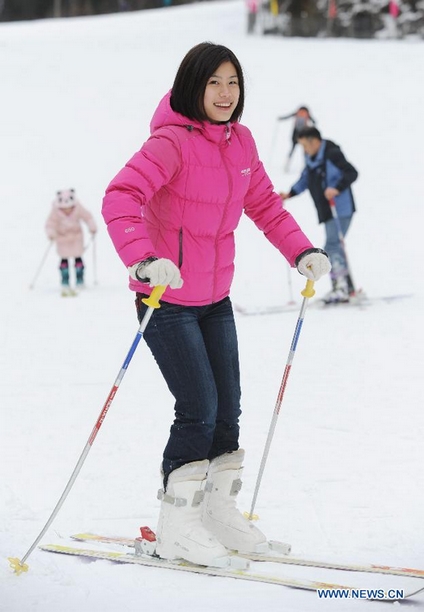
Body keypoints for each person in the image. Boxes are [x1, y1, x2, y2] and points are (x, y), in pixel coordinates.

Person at [102, 42, 330, 569]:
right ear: (192, 86)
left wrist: (301, 250)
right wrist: (144, 260)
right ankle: (178, 527)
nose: (226, 94)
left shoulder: (241, 142)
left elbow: (266, 206)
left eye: (233, 82)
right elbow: (120, 198)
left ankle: (215, 514)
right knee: (199, 408)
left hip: (215, 298)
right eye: (214, 83)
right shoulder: (169, 143)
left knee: (227, 409)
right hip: (165, 298)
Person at [279, 126, 358, 303]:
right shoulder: (311, 157)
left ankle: (341, 288)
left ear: (314, 141)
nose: (304, 150)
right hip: (326, 209)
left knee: (332, 246)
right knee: (335, 245)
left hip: (340, 208)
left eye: (305, 145)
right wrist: (289, 194)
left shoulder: (332, 154)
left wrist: (336, 188)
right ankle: (347, 288)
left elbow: (352, 172)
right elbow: (305, 178)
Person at [45, 189, 97, 296]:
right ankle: (65, 281)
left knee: (78, 259)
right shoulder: (55, 211)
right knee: (64, 261)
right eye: (64, 208)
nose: (67, 210)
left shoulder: (78, 207)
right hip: (62, 239)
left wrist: (92, 227)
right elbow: (50, 223)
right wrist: (51, 233)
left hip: (76, 238)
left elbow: (87, 217)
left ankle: (80, 279)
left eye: (69, 208)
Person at [277, 105, 316, 171]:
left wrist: (280, 119)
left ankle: (287, 165)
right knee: (305, 150)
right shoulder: (307, 114)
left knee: (292, 149)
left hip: (295, 133)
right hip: (304, 133)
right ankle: (307, 165)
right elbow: (313, 121)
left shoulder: (297, 113)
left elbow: (287, 116)